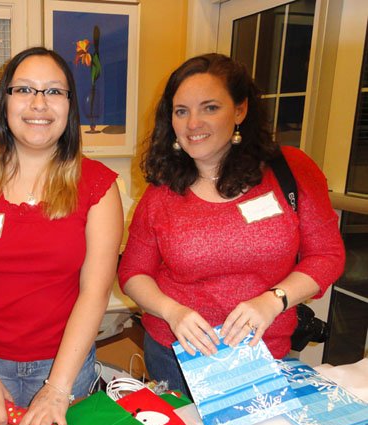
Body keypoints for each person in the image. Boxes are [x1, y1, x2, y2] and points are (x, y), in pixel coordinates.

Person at [118, 53, 345, 395]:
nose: (193, 123)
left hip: (265, 352)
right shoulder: (161, 192)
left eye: (210, 107)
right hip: (177, 355)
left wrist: (273, 300)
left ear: (240, 110)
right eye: (182, 111)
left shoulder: (290, 170)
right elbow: (133, 274)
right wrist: (172, 311)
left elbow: (327, 255)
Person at [0, 46, 123, 425]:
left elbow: (95, 291)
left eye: (54, 91)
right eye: (24, 90)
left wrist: (57, 387)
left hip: (66, 366)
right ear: (5, 100)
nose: (39, 103)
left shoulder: (98, 185)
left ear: (70, 105)